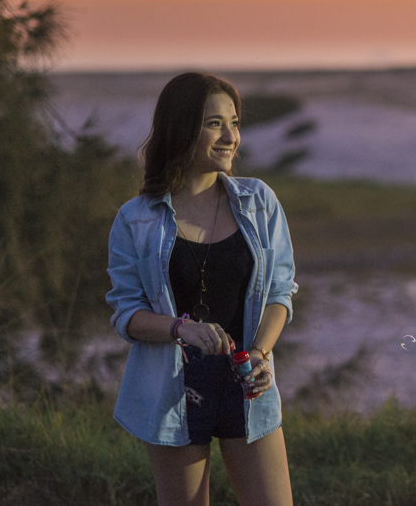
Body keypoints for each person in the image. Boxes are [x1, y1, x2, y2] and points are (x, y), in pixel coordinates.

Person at [106, 72, 297, 506]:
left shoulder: (259, 201)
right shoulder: (135, 219)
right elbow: (126, 314)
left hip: (247, 384)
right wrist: (182, 329)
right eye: (214, 123)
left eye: (234, 122)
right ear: (182, 128)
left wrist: (262, 354)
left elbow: (280, 293)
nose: (230, 136)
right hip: (173, 389)